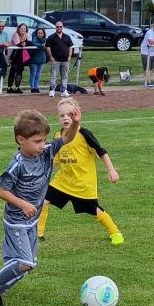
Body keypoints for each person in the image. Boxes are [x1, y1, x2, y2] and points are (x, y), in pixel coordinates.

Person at [0, 108, 79, 306]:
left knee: (27, 265)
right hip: (17, 222)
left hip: (32, 221)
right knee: (25, 263)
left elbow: (67, 138)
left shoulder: (46, 152)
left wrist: (74, 123)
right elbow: (2, 192)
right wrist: (23, 203)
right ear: (21, 139)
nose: (43, 145)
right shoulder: (17, 164)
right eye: (37, 141)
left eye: (44, 140)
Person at [36, 98, 123, 244]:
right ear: (57, 117)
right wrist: (43, 171)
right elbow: (55, 158)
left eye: (69, 115)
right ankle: (38, 234)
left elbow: (101, 152)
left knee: (94, 210)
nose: (65, 118)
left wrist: (111, 170)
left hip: (82, 183)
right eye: (62, 115)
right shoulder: (58, 136)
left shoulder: (84, 134)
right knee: (43, 200)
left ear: (77, 114)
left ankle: (115, 232)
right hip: (63, 181)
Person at [45, 22, 74, 97]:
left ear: (62, 27)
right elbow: (48, 47)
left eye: (60, 27)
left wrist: (70, 56)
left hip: (65, 60)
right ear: (55, 27)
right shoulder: (51, 37)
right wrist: (50, 56)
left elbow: (70, 47)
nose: (59, 28)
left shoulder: (67, 37)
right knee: (54, 75)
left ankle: (64, 90)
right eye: (57, 27)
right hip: (55, 60)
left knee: (65, 76)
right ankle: (52, 90)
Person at [4, 24, 28, 94]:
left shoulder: (26, 35)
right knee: (13, 70)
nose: (23, 30)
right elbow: (18, 43)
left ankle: (17, 88)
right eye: (22, 28)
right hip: (14, 55)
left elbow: (28, 43)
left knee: (20, 71)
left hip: (21, 56)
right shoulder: (15, 34)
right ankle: (9, 88)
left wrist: (24, 42)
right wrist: (24, 43)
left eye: (24, 29)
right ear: (18, 29)